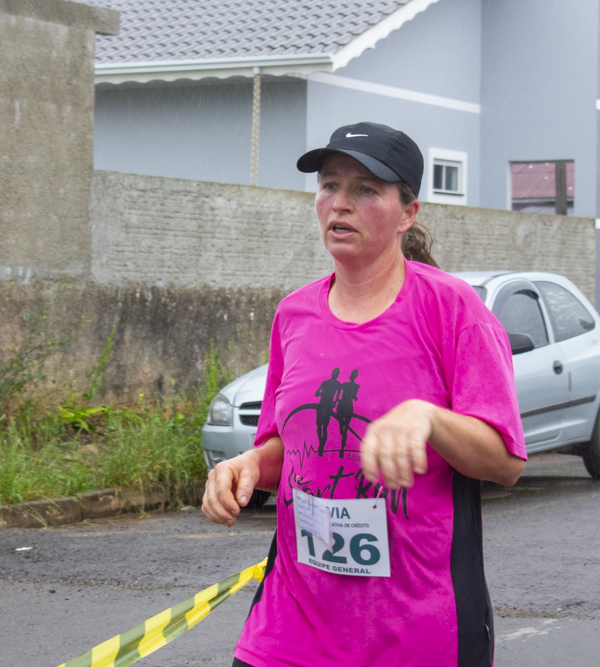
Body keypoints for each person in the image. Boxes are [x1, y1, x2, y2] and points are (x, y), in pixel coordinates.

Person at [202, 121, 527, 666]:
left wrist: (430, 419)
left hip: (416, 632)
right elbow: (292, 448)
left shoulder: (452, 310)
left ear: (408, 214)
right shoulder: (294, 315)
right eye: (330, 186)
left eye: (366, 190)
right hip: (290, 625)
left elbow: (505, 461)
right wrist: (247, 466)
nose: (340, 204)